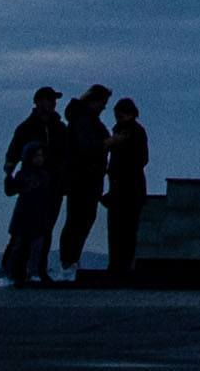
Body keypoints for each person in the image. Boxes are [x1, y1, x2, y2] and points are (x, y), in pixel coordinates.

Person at [0, 84, 65, 285]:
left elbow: (66, 155)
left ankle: (36, 271)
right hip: (31, 189)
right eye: (49, 100)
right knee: (21, 235)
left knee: (44, 232)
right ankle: (11, 271)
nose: (52, 104)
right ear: (38, 102)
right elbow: (13, 153)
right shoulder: (26, 128)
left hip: (52, 187)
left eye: (53, 101)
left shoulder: (59, 128)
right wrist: (11, 173)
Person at [52, 87, 113, 277]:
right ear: (94, 101)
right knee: (79, 220)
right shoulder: (84, 121)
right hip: (83, 179)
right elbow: (87, 148)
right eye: (102, 103)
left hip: (87, 179)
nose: (104, 107)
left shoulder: (85, 120)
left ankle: (70, 260)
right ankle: (68, 262)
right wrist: (107, 144)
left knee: (81, 220)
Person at [99, 89, 150, 275]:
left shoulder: (134, 132)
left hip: (128, 190)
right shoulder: (122, 132)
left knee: (124, 231)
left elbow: (141, 159)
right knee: (119, 231)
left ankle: (122, 266)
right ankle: (118, 266)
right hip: (121, 190)